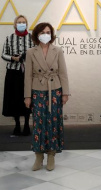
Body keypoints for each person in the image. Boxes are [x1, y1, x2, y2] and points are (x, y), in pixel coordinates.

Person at [24, 22, 69, 171]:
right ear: (37, 34)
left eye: (48, 32)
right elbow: (28, 75)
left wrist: (65, 92)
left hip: (55, 89)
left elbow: (63, 72)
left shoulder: (58, 50)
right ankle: (38, 156)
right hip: (37, 90)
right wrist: (27, 96)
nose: (46, 35)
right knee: (38, 124)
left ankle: (51, 154)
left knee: (53, 123)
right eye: (43, 32)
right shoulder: (31, 52)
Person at [1, 15, 34, 136]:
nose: (21, 24)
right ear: (15, 24)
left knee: (27, 98)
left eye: (24, 22)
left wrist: (26, 56)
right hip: (13, 72)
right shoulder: (9, 38)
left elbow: (36, 53)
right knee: (14, 99)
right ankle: (17, 125)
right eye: (19, 22)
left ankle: (26, 125)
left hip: (27, 72)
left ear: (27, 24)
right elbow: (3, 54)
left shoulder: (31, 38)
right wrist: (12, 58)